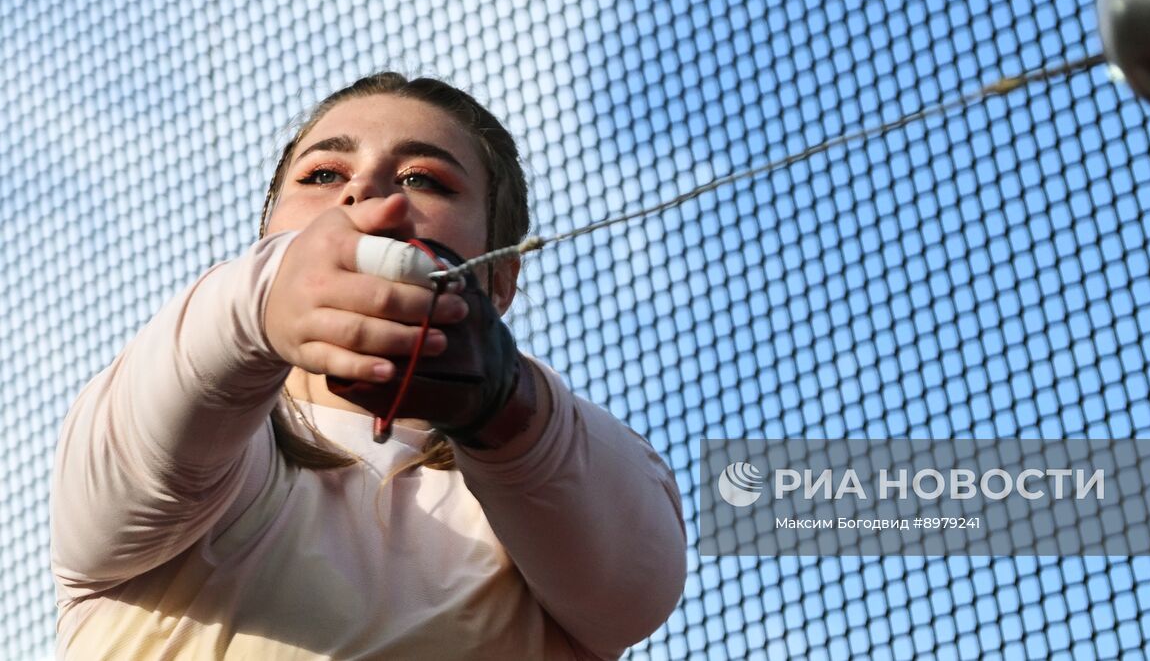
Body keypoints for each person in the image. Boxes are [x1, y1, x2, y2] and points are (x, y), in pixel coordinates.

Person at [50, 73, 688, 659]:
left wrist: (510, 408)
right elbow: (144, 438)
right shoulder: (179, 439)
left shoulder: (579, 473)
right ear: (266, 235)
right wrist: (259, 302)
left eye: (424, 179)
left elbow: (633, 589)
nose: (367, 192)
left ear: (500, 276)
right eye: (324, 173)